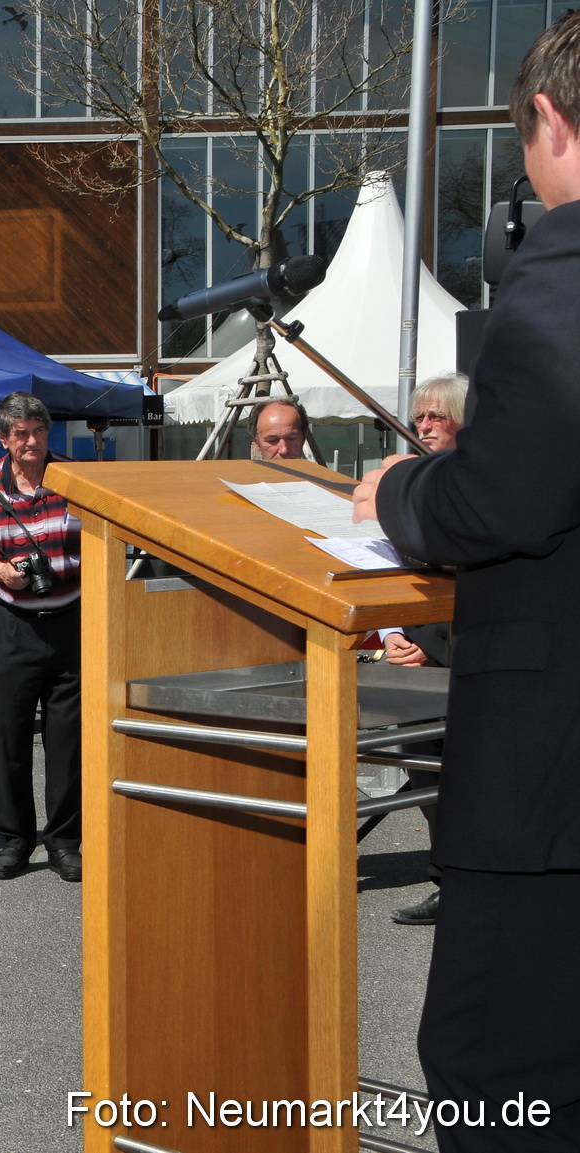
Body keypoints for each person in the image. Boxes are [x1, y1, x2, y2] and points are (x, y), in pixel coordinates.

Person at [353, 20, 580, 1148]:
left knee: (501, 1074)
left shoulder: (571, 261)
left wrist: (401, 492)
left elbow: (505, 501)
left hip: (552, 786)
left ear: (546, 116)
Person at [0, 392, 83, 883]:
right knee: (9, 736)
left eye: (39, 431)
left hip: (72, 617)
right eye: (21, 434)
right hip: (13, 623)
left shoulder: (77, 480)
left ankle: (66, 842)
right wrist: (3, 572)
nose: (32, 442)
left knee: (68, 741)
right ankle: (14, 840)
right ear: (4, 439)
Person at [381, 372, 469, 927]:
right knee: (425, 771)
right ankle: (447, 879)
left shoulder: (479, 486)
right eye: (419, 417)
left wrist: (428, 646)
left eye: (438, 416)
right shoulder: (415, 480)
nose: (424, 425)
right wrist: (391, 633)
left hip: (467, 660)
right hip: (421, 655)